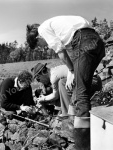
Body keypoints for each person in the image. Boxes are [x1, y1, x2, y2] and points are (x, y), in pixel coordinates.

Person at [26, 15, 105, 150]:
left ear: (38, 38)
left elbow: (61, 53)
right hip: (96, 41)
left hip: (83, 42)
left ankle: (82, 145)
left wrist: (72, 71)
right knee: (80, 88)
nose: (43, 48)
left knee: (81, 95)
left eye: (39, 45)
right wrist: (72, 71)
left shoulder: (43, 29)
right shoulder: (57, 23)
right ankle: (76, 124)